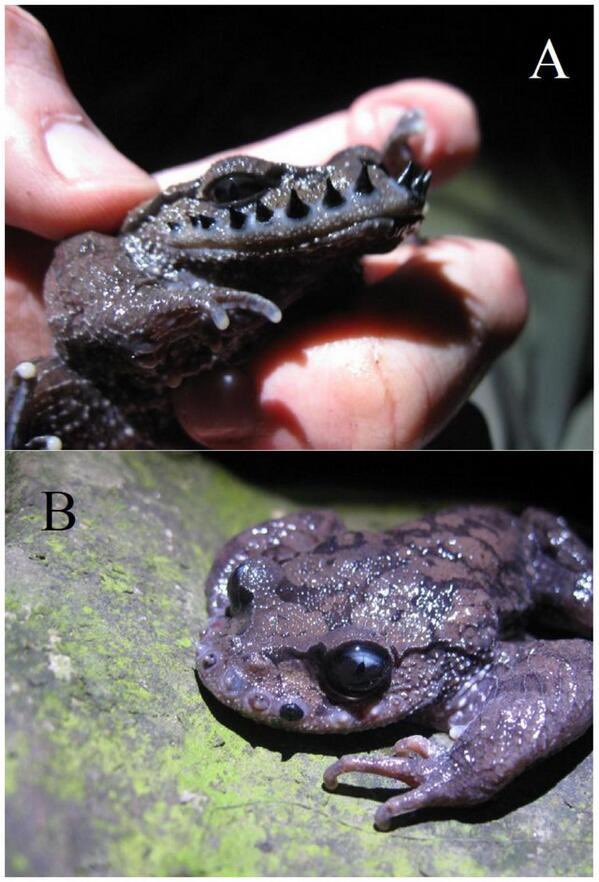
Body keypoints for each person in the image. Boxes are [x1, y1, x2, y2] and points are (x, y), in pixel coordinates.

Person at [6, 6, 527, 450]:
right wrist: (169, 313)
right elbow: (89, 303)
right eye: (234, 192)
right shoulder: (126, 240)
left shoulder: (333, 264)